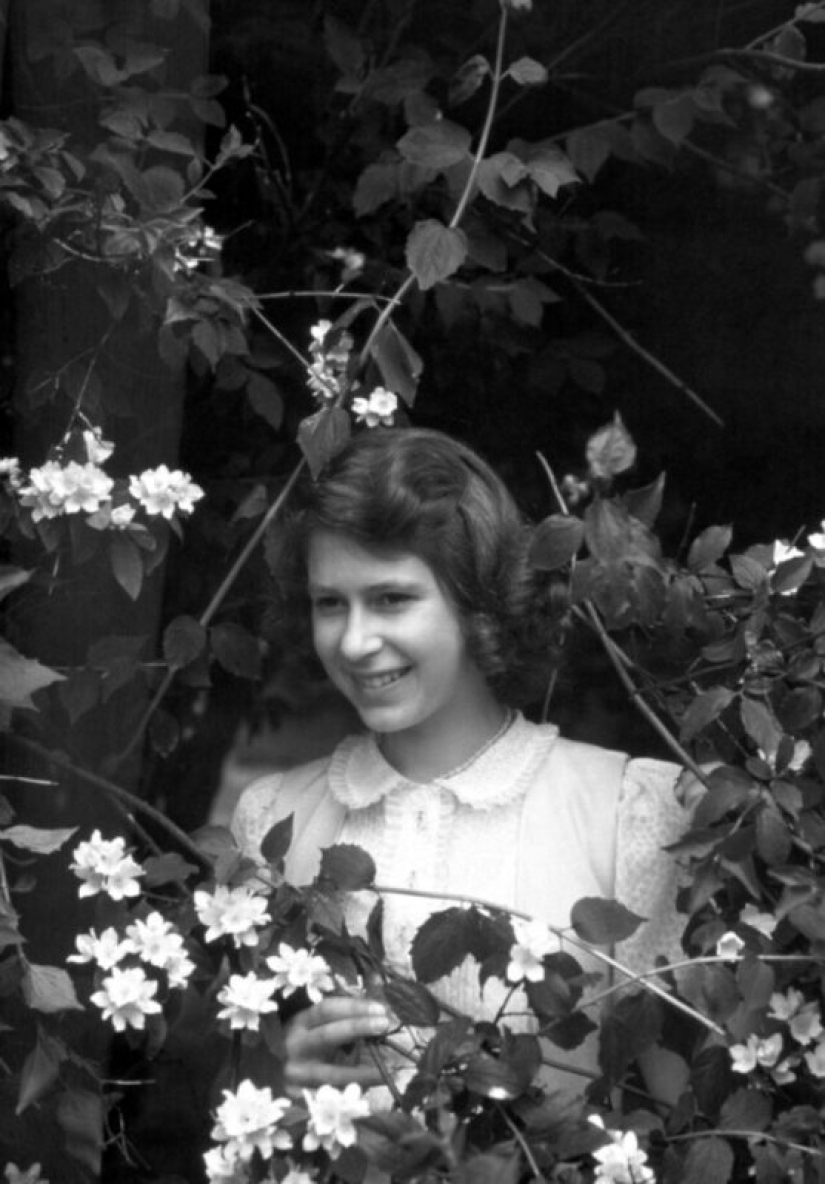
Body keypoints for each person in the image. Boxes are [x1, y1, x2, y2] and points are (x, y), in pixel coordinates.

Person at [231, 427, 692, 1101]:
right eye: (331, 603)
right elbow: (246, 1097)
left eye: (391, 598)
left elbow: (675, 1127)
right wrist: (283, 1073)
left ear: (475, 601)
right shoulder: (275, 820)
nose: (355, 642)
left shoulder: (626, 813)